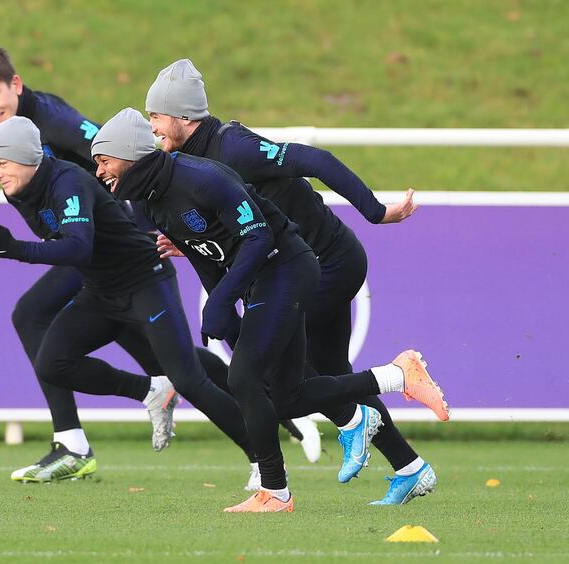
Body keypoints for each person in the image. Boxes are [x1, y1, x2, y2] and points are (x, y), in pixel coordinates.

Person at [90, 107, 449, 513]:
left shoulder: (215, 162)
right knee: (286, 392)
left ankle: (282, 482)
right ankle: (398, 412)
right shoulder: (150, 199)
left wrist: (375, 210)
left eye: (103, 161)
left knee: (250, 377)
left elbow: (264, 228)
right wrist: (225, 318)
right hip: (274, 269)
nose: (99, 172)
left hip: (297, 263)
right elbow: (206, 252)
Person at [0, 45, 232, 482]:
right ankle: (261, 400)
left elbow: (127, 155)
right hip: (86, 250)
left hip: (109, 244)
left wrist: (154, 218)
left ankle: (76, 442)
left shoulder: (53, 120)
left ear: (16, 85)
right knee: (161, 353)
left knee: (35, 314)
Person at [0, 116, 267, 480]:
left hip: (146, 283)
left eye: (1, 163)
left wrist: (16, 249)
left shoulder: (69, 182)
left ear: (25, 156)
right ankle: (151, 389)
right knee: (52, 364)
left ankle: (262, 461)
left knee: (189, 379)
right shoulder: (19, 189)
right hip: (101, 292)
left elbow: (78, 248)